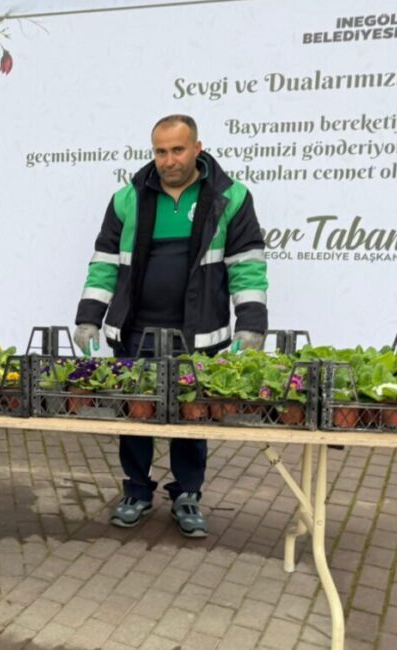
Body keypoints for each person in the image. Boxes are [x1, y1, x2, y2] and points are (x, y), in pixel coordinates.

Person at [73, 114, 268, 537]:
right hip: (136, 331)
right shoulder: (128, 199)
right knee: (136, 417)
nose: (168, 160)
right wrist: (89, 317)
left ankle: (187, 495)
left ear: (198, 148)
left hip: (199, 333)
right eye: (160, 151)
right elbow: (104, 263)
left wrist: (251, 323)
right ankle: (137, 492)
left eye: (178, 150)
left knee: (191, 417)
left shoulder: (229, 197)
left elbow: (247, 266)